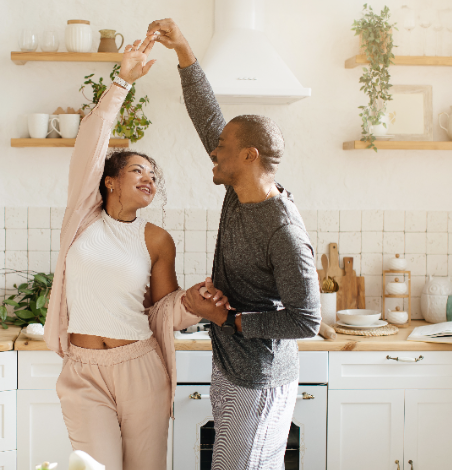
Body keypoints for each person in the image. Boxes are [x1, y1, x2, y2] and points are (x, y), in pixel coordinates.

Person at [147, 19, 322, 470]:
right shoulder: (237, 190)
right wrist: (183, 48)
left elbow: (307, 320)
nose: (213, 151)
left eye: (222, 146)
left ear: (249, 156)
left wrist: (229, 318)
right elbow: (207, 116)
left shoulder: (282, 230)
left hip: (259, 377)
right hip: (231, 365)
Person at [43, 36, 201, 470]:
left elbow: (163, 310)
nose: (149, 179)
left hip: (140, 368)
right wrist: (122, 82)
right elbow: (93, 140)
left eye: (154, 176)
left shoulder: (156, 239)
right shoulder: (83, 216)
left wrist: (194, 304)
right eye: (137, 170)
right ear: (109, 180)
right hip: (83, 371)